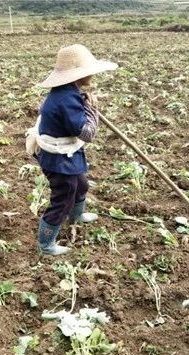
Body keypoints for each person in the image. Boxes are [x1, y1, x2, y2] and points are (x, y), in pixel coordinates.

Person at [25, 44, 117, 255]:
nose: (93, 74)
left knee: (81, 184)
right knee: (63, 198)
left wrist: (85, 104)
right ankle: (45, 245)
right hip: (58, 159)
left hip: (65, 153)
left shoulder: (67, 93)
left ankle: (76, 216)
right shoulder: (65, 100)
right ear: (77, 75)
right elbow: (86, 133)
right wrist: (92, 110)